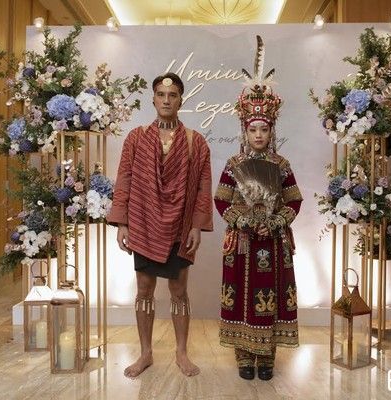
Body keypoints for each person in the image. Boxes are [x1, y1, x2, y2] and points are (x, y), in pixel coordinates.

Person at [107, 72, 213, 378]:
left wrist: (196, 225)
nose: (166, 100)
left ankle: (181, 352)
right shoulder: (136, 138)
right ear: (153, 99)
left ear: (181, 100)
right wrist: (122, 223)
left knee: (179, 290)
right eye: (161, 95)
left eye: (173, 95)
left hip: (180, 226)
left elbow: (203, 186)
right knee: (144, 288)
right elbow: (124, 179)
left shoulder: (196, 141)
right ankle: (145, 353)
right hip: (142, 222)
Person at [214, 36, 303, 381]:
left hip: (275, 242)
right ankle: (243, 357)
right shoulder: (234, 164)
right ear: (245, 130)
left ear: (271, 130)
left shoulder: (282, 164)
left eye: (264, 129)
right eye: (253, 129)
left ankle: (267, 359)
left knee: (272, 298)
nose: (259, 135)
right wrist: (245, 221)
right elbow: (221, 200)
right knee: (241, 296)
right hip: (242, 242)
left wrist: (276, 221)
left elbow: (294, 200)